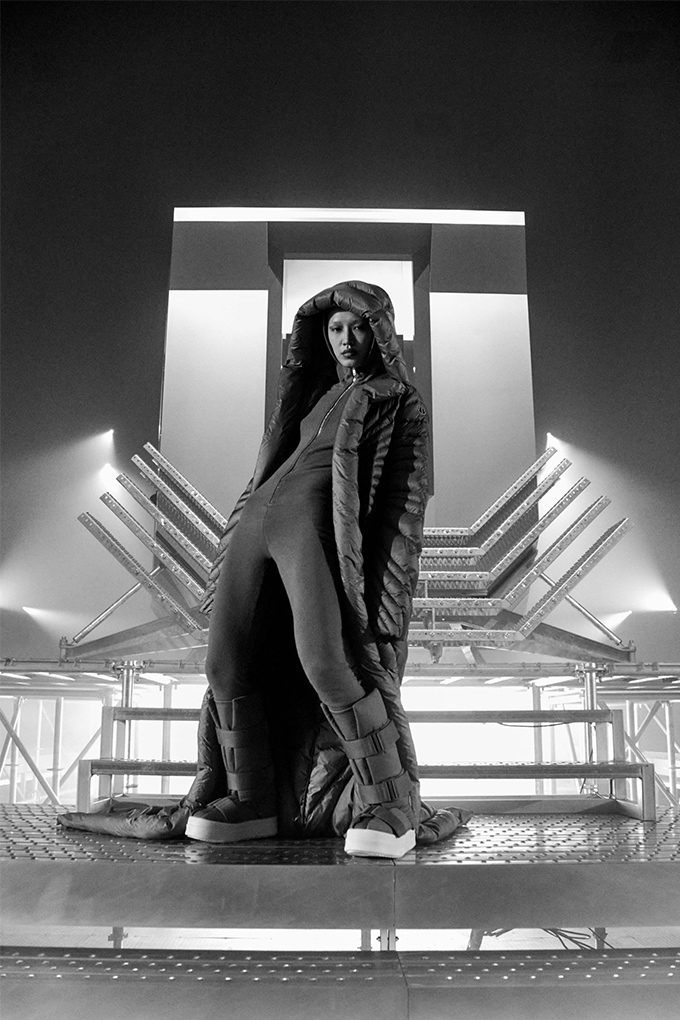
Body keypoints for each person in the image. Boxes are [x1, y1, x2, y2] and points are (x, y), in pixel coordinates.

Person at [185, 280, 433, 859]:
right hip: (254, 520)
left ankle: (389, 803)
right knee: (224, 664)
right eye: (335, 328)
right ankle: (252, 799)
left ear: (381, 331)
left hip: (315, 526)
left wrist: (389, 576)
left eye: (359, 327)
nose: (347, 339)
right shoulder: (311, 394)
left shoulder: (398, 399)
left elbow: (406, 496)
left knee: (328, 661)